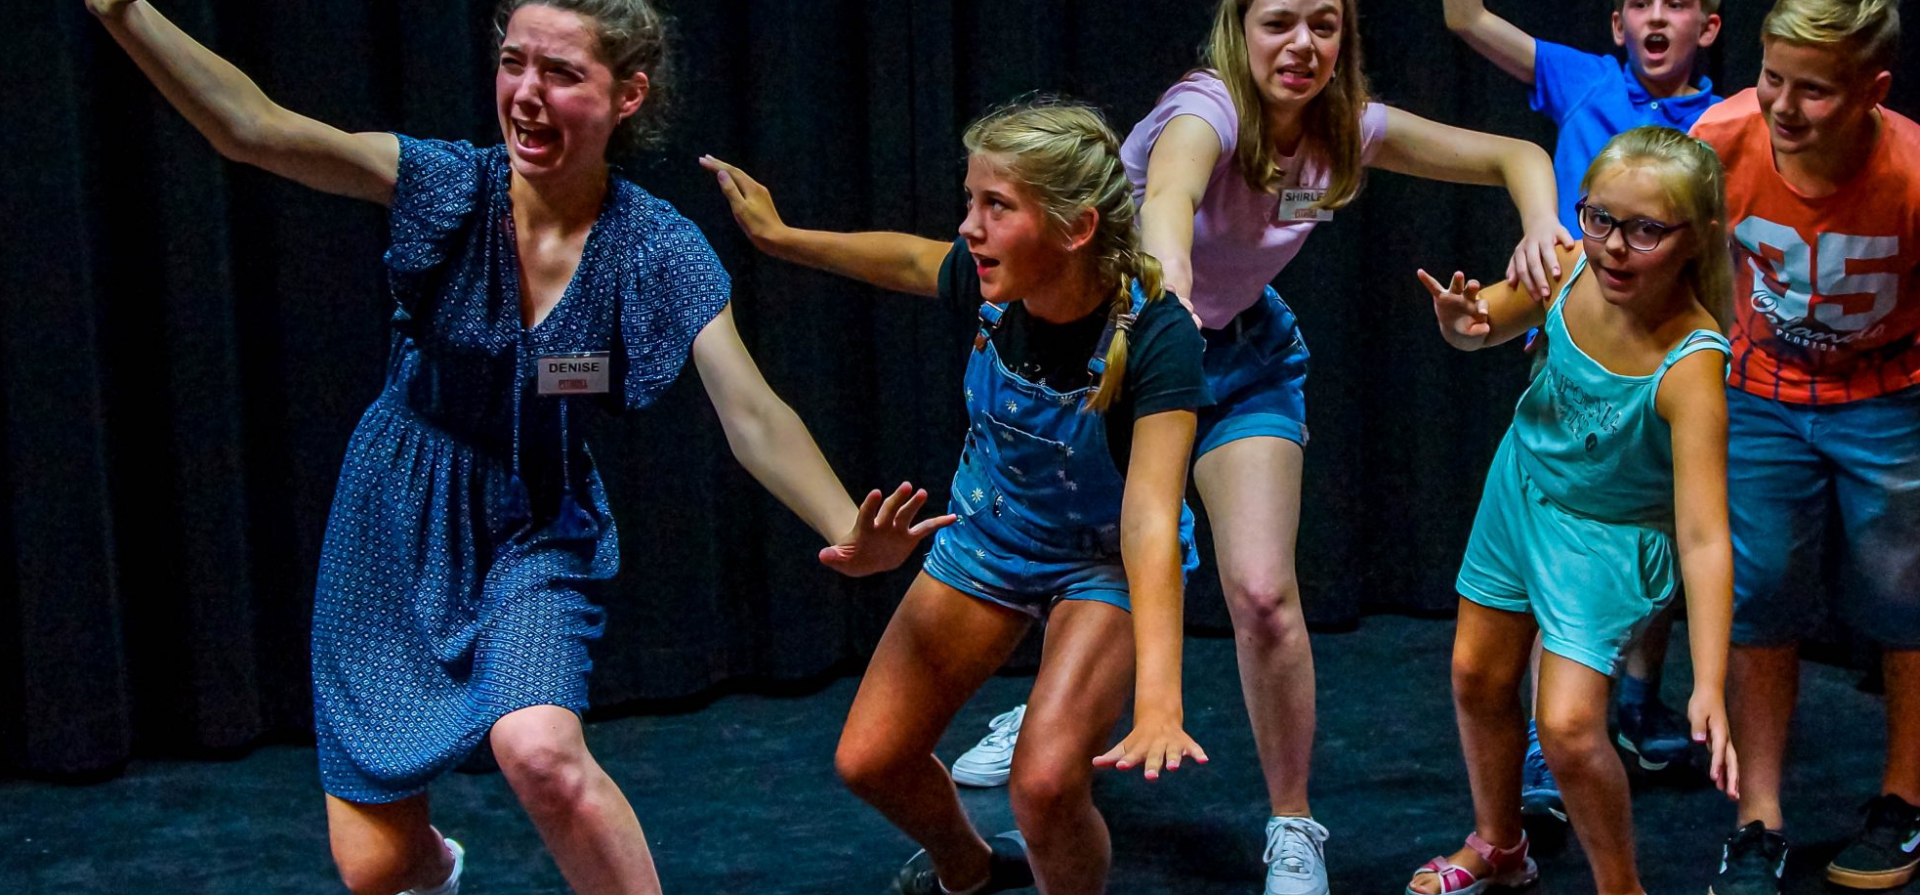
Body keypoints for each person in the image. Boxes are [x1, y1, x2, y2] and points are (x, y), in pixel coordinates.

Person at [87, 2, 946, 893]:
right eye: (513, 64)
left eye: (562, 73)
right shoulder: (448, 187)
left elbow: (753, 411)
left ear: (628, 96)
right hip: (392, 514)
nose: (527, 95)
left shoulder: (655, 245)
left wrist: (850, 523)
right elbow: (251, 128)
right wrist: (126, 13)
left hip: (534, 521)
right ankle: (436, 865)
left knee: (539, 749)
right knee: (377, 868)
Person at [952, 4, 1569, 891]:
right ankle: (1050, 712)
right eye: (1280, 21)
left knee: (1265, 592)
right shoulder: (1207, 109)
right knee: (1088, 558)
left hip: (1243, 358)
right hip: (1130, 353)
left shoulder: (1345, 128)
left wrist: (1541, 222)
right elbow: (1167, 199)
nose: (1304, 45)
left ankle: (1292, 822)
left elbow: (1518, 155)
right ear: (1239, 31)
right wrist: (1168, 302)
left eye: (1325, 24)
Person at [701, 97, 1207, 895]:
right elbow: (906, 259)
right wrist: (782, 238)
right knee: (869, 759)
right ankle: (969, 867)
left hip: (1104, 563)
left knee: (1043, 787)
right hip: (992, 540)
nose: (968, 227)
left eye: (995, 207)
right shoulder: (992, 287)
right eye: (970, 201)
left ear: (1074, 228)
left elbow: (1148, 518)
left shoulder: (1158, 335)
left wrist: (1160, 699)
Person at [1689, 2, 1920, 892]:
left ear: (1871, 91)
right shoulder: (1722, 139)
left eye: (1814, 90)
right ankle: (1759, 817)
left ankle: (1905, 801)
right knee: (1760, 590)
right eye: (1773, 77)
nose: (1784, 106)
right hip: (1764, 397)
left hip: (1892, 397)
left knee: (1906, 593)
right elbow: (1683, 252)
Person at [1404, 126, 1738, 895]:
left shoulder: (1692, 364)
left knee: (1568, 727)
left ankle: (1621, 886)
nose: (1616, 246)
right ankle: (1500, 844)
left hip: (1609, 542)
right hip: (1520, 490)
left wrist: (1710, 680)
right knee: (1478, 675)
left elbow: (1705, 536)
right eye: (1600, 218)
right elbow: (1482, 322)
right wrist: (1459, 320)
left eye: (1647, 230)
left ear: (1697, 239)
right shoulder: (1569, 263)